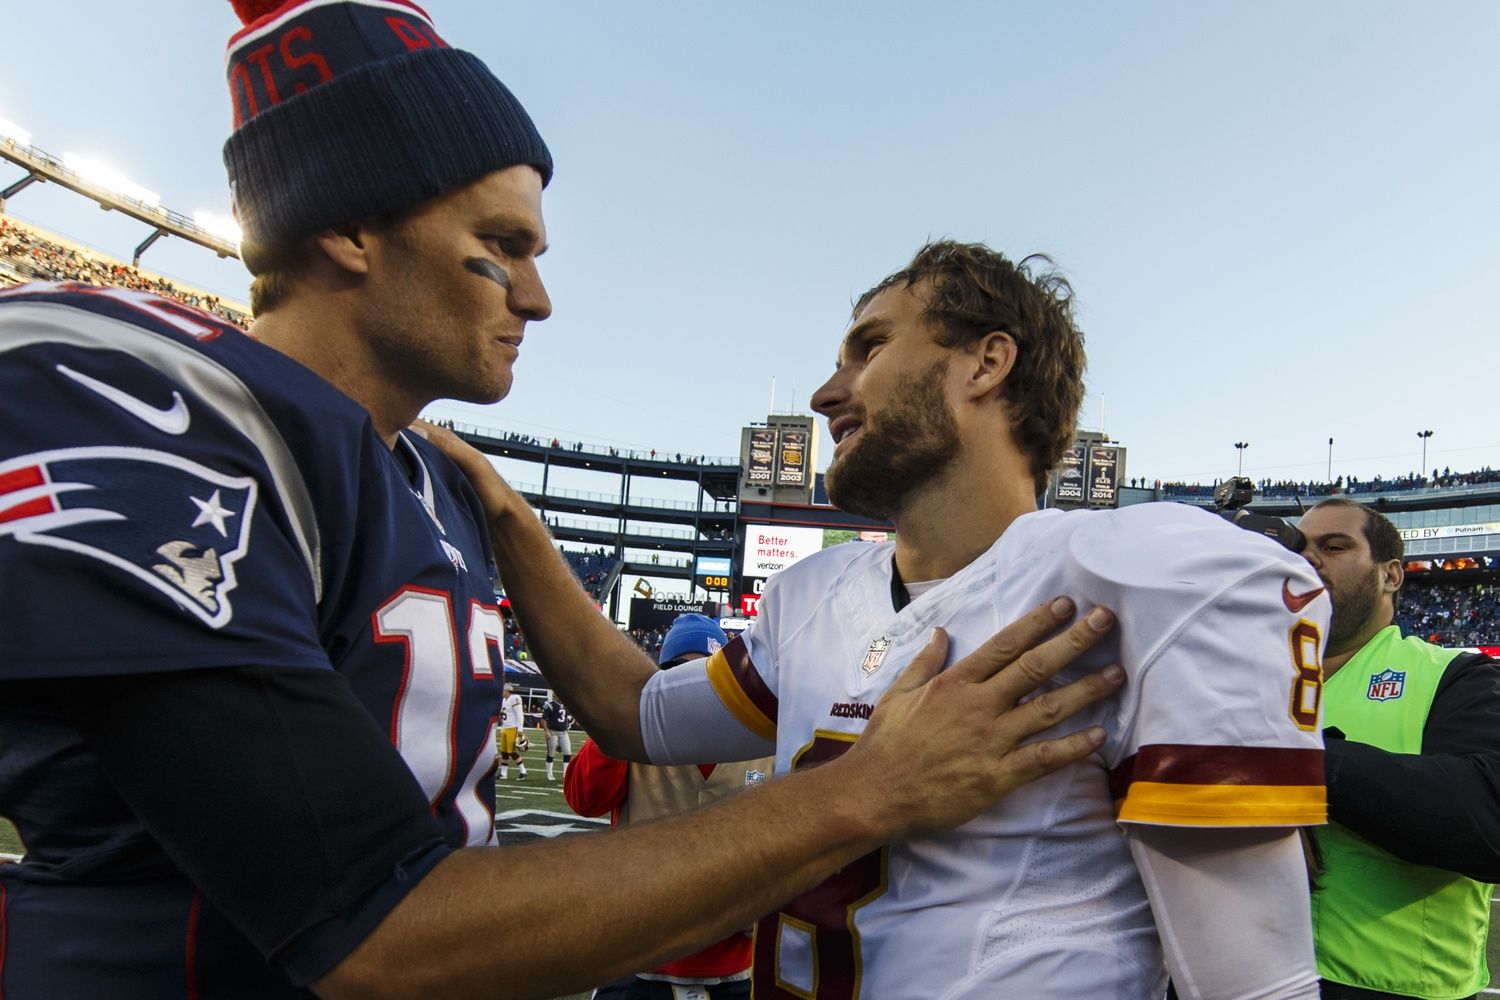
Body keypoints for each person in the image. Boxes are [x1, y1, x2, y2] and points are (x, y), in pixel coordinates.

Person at [0, 4, 1126, 997]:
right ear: (347, 228)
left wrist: (516, 526)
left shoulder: (440, 486)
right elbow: (378, 931)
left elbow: (630, 716)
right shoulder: (133, 391)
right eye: (501, 245)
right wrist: (868, 791)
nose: (537, 296)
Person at [430, 241, 1332, 998]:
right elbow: (637, 716)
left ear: (986, 362)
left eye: (868, 348)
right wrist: (510, 520)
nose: (827, 392)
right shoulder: (809, 596)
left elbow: (1257, 982)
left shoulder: (1148, 578)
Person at [1296, 499, 1500, 1000]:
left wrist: (1300, 758)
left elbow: (1490, 824)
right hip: (1251, 976)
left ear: (1391, 575)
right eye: (1299, 548)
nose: (1309, 559)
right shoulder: (1251, 681)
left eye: (1334, 545)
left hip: (1395, 989)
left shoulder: (1458, 675)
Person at [566, 614, 774, 999]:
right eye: (679, 672)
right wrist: (621, 722)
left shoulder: (762, 740)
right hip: (638, 961)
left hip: (735, 968)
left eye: (706, 672)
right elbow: (583, 798)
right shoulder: (635, 734)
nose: (692, 685)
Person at [540, 688, 575, 780]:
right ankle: (549, 774)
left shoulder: (566, 704)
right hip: (553, 732)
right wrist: (546, 731)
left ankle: (565, 774)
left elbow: (566, 717)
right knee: (551, 753)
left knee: (567, 752)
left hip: (563, 732)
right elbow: (543, 719)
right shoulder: (550, 704)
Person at [500, 683, 529, 780]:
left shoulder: (515, 698)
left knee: (511, 751)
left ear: (507, 690)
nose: (501, 692)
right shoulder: (503, 700)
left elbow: (519, 714)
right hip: (505, 727)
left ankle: (523, 771)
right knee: (504, 752)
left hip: (513, 728)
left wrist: (520, 729)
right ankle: (503, 774)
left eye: (503, 690)